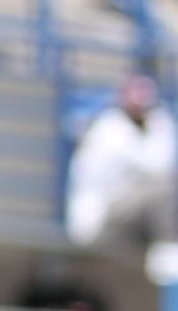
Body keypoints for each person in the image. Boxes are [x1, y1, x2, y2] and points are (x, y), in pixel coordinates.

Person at [65, 72, 175, 256]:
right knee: (165, 192)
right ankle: (168, 257)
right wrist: (158, 123)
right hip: (98, 220)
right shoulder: (111, 128)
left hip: (122, 214)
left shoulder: (144, 124)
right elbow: (159, 167)